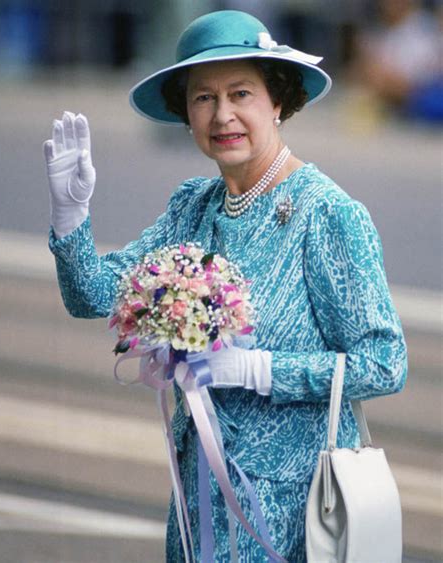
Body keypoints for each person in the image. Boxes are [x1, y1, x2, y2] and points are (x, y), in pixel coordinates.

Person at [44, 10, 407, 562]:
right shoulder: (194, 205)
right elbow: (93, 296)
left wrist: (259, 370)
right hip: (198, 501)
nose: (223, 115)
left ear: (278, 100)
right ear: (185, 113)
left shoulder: (328, 214)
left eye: (242, 93)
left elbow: (384, 363)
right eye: (203, 98)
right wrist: (71, 215)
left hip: (294, 513)